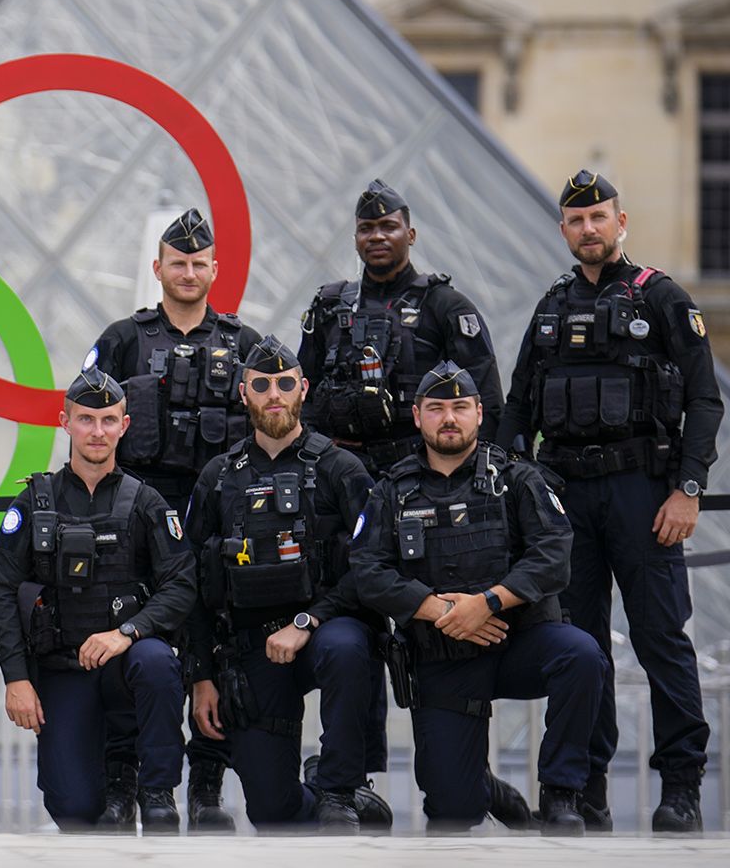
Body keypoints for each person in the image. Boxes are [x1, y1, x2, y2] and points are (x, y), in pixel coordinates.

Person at [503, 170, 720, 833]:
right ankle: (579, 790)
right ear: (564, 229)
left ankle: (680, 788)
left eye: (599, 218)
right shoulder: (549, 309)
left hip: (643, 495)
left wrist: (688, 488)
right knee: (580, 647)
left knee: (661, 641)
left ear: (620, 223)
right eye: (577, 220)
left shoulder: (661, 298)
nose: (589, 229)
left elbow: (706, 401)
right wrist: (516, 485)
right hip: (567, 502)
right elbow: (517, 407)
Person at [347, 362, 604, 835]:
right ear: (418, 415)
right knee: (452, 811)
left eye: (460, 407)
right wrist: (442, 610)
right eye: (437, 408)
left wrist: (486, 603)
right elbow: (367, 571)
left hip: (514, 640)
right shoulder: (391, 491)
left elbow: (553, 554)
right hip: (444, 654)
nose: (450, 418)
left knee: (582, 655)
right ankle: (483, 788)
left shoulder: (517, 478)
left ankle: (562, 792)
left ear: (479, 413)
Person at [87, 207, 260, 830]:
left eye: (198, 263)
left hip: (218, 513)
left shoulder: (243, 345)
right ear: (157, 269)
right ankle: (124, 781)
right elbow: (90, 427)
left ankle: (207, 784)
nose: (188, 272)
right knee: (138, 643)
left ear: (215, 269)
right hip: (139, 512)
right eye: (177, 263)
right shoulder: (123, 339)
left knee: (222, 641)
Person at [184, 337, 388, 832]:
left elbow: (372, 567)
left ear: (303, 389)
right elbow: (189, 582)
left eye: (284, 383)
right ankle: (318, 797)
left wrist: (308, 620)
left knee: (346, 647)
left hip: (326, 630)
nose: (273, 393)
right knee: (273, 815)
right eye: (261, 385)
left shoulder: (342, 470)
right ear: (243, 393)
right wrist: (201, 675)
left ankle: (339, 789)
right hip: (252, 648)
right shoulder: (217, 478)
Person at [0, 367, 197, 833]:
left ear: (124, 425)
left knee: (158, 661)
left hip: (125, 663)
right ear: (65, 423)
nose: (97, 432)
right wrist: (16, 679)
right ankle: (115, 777)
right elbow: (0, 589)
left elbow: (181, 585)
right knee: (74, 811)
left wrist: (127, 633)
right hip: (62, 668)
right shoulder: (34, 502)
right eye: (86, 419)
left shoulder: (146, 502)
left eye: (107, 420)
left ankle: (155, 788)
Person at [300, 180, 502, 474]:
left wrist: (474, 474)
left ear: (411, 235)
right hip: (339, 472)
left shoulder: (445, 306)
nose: (376, 236)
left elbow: (487, 400)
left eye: (388, 226)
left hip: (423, 472)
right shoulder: (329, 307)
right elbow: (304, 394)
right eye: (366, 228)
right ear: (355, 238)